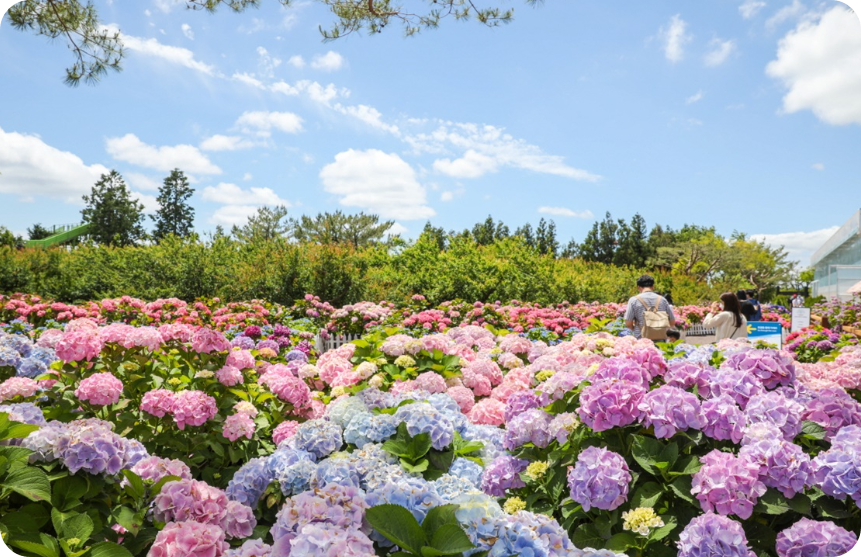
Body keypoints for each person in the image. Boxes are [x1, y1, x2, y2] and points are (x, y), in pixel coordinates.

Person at [624, 275, 676, 340]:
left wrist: (637, 329)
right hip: (660, 339)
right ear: (653, 286)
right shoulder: (662, 300)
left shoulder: (634, 300)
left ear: (638, 287)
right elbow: (672, 322)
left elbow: (628, 324)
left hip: (641, 339)